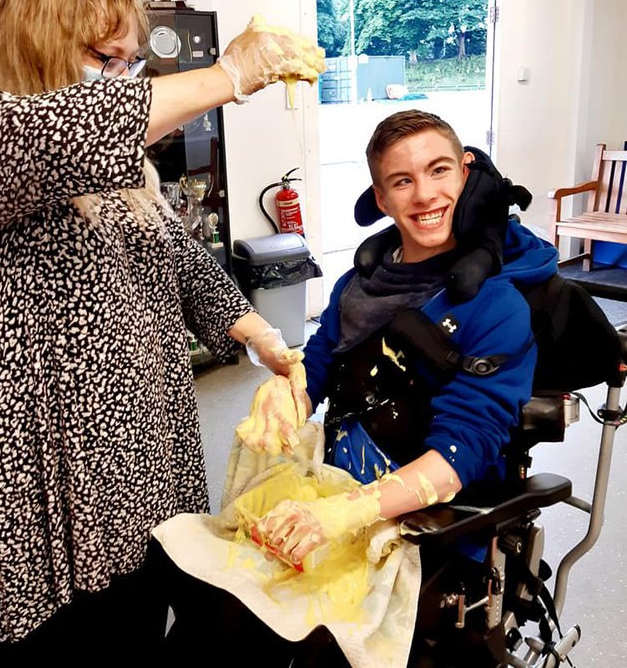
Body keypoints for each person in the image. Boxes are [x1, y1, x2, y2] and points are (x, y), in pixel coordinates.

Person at [0, 0, 325, 666]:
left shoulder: (122, 163)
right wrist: (228, 76)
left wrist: (257, 329)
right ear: (40, 38)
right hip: (36, 479)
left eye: (129, 63)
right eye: (104, 58)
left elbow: (171, 249)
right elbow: (63, 135)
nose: (120, 77)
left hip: (139, 455)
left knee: (144, 625)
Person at [159, 109, 558, 667]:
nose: (424, 195)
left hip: (428, 524)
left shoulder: (496, 307)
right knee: (202, 594)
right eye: (402, 181)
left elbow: (457, 455)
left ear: (466, 175)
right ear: (381, 196)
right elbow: (317, 367)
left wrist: (346, 513)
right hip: (334, 490)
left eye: (439, 171)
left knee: (287, 635)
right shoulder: (359, 285)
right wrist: (287, 392)